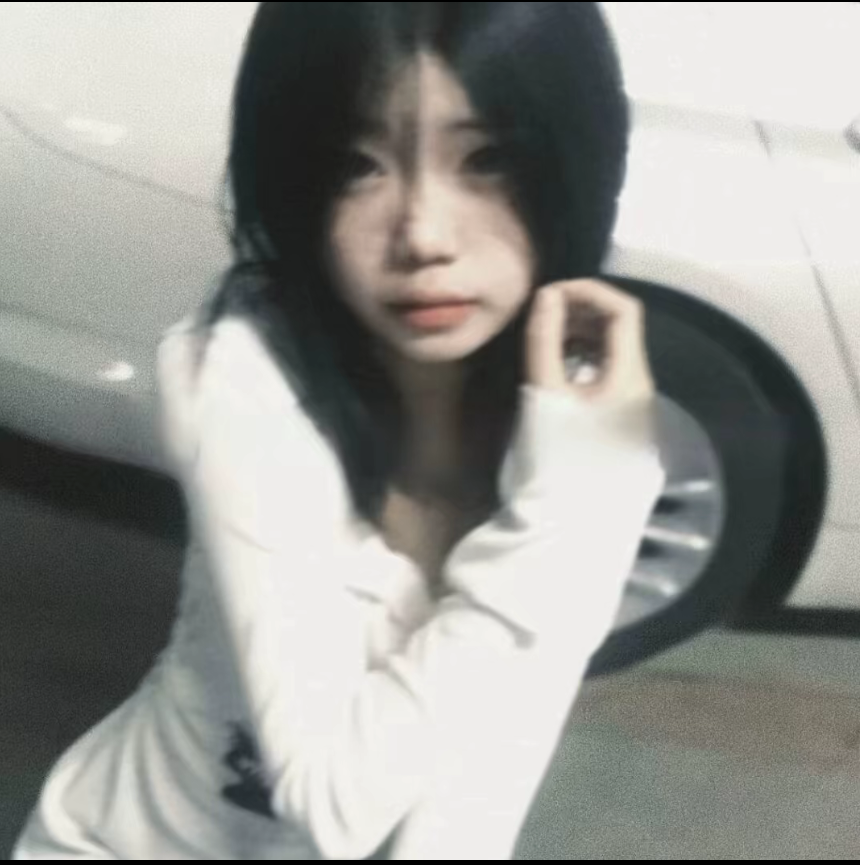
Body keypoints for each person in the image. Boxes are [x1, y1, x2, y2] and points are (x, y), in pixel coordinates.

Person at [13, 2, 666, 859]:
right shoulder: (244, 384)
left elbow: (489, 769)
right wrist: (573, 518)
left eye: (487, 159)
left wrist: (589, 490)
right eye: (358, 166)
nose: (423, 235)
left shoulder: (586, 443)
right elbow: (332, 803)